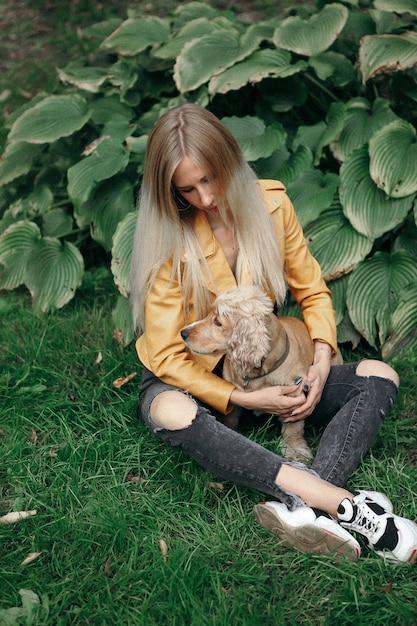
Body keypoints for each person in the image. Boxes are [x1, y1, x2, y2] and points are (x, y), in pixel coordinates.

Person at [130, 103, 417, 563]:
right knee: (169, 410)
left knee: (381, 374)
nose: (205, 198)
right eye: (188, 188)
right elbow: (166, 356)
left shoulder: (273, 204)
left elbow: (313, 291)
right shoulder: (169, 236)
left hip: (273, 366)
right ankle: (335, 504)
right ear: (171, 192)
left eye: (211, 178)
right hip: (192, 374)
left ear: (229, 161)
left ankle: (309, 516)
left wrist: (322, 360)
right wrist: (240, 399)